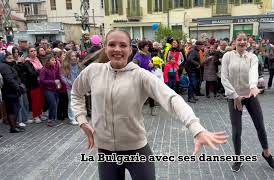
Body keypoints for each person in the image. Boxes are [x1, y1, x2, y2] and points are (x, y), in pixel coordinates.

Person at [71, 29, 228, 180]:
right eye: (112, 44)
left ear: (130, 50)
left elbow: (172, 99)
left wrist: (196, 129)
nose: (117, 49)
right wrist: (82, 120)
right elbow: (76, 93)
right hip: (106, 153)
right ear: (105, 48)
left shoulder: (140, 76)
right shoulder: (93, 71)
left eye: (123, 45)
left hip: (136, 150)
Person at [221, 32, 274, 172]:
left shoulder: (252, 57)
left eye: (244, 40)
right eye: (239, 39)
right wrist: (235, 96)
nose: (242, 42)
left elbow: (253, 71)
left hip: (250, 95)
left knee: (260, 125)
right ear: (234, 41)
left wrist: (253, 86)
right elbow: (224, 78)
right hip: (234, 97)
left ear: (247, 42)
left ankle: (266, 153)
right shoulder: (227, 56)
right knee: (236, 130)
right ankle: (237, 158)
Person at [0, 53, 25, 133]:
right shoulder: (4, 66)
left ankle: (14, 125)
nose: (12, 60)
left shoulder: (8, 66)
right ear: (4, 59)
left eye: (12, 58)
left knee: (16, 108)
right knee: (12, 110)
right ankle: (13, 127)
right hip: (9, 92)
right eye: (9, 58)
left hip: (12, 91)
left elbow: (15, 77)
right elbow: (9, 79)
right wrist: (18, 88)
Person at [39, 54, 61, 127]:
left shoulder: (54, 68)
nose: (54, 61)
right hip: (48, 90)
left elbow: (57, 77)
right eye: (52, 60)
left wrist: (58, 82)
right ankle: (50, 121)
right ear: (48, 61)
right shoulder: (44, 69)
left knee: (55, 104)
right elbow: (42, 81)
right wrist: (53, 82)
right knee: (53, 104)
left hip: (55, 89)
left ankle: (52, 119)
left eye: (55, 60)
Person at [61, 50, 81, 124]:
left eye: (75, 56)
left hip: (78, 87)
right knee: (72, 102)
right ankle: (72, 118)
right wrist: (71, 83)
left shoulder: (78, 64)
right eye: (72, 56)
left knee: (78, 102)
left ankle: (77, 116)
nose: (74, 57)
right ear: (69, 57)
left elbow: (80, 75)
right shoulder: (65, 66)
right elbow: (63, 77)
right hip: (70, 87)